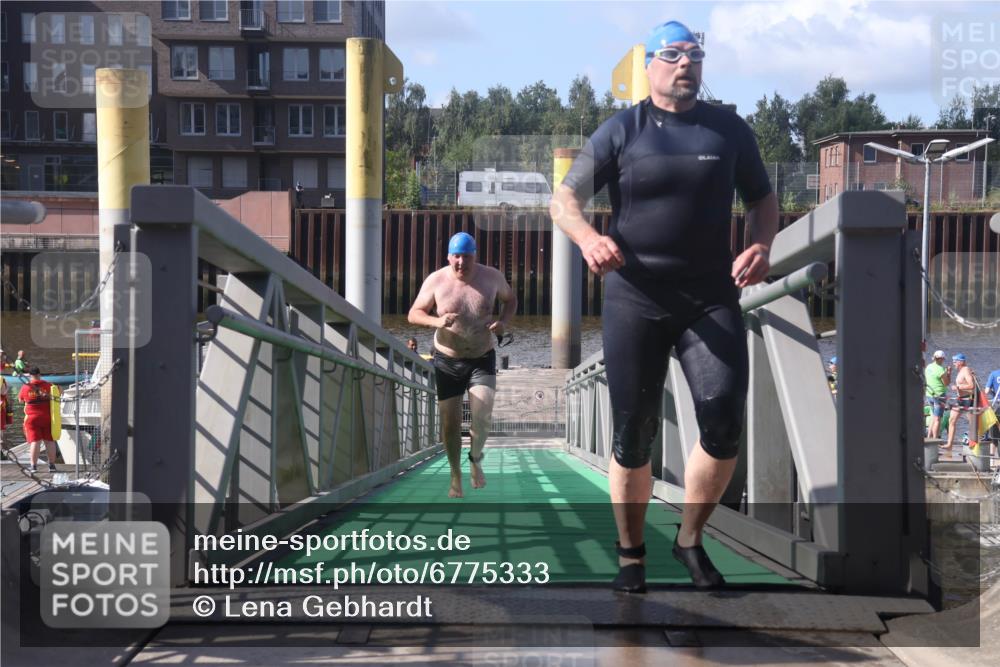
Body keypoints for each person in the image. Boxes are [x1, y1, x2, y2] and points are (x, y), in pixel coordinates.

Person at [550, 20, 778, 593]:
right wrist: (587, 239)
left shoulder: (729, 130)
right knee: (634, 433)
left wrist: (761, 243)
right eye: (673, 54)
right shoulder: (622, 130)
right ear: (648, 65)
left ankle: (689, 540)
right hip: (635, 297)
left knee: (724, 420)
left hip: (709, 297)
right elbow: (565, 199)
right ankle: (631, 554)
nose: (685, 64)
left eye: (695, 55)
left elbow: (763, 198)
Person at [408, 232, 517, 498]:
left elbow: (510, 299)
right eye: (456, 256)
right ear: (448, 256)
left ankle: (475, 459)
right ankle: (455, 475)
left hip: (482, 356)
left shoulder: (491, 277)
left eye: (466, 257)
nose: (460, 263)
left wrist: (504, 322)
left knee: (482, 417)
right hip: (447, 359)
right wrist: (437, 321)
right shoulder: (436, 281)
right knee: (450, 424)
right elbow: (413, 314)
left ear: (474, 256)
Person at [17, 367, 58, 473]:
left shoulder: (25, 387)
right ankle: (52, 466)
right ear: (39, 374)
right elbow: (58, 394)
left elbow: (20, 400)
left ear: (30, 376)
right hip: (47, 417)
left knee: (35, 442)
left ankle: (33, 467)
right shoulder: (48, 385)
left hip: (32, 418)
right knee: (49, 441)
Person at [944, 353, 977, 450]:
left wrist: (958, 387)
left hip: (968, 399)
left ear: (960, 362)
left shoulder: (966, 370)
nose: (953, 363)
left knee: (972, 422)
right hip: (960, 399)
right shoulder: (960, 370)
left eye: (955, 361)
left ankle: (973, 443)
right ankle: (949, 444)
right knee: (951, 420)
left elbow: (972, 386)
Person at [924, 350, 950, 440]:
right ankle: (935, 439)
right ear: (941, 359)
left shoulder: (928, 367)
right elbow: (946, 383)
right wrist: (948, 373)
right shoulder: (940, 369)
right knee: (938, 418)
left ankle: (928, 437)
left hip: (929, 394)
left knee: (933, 417)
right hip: (939, 395)